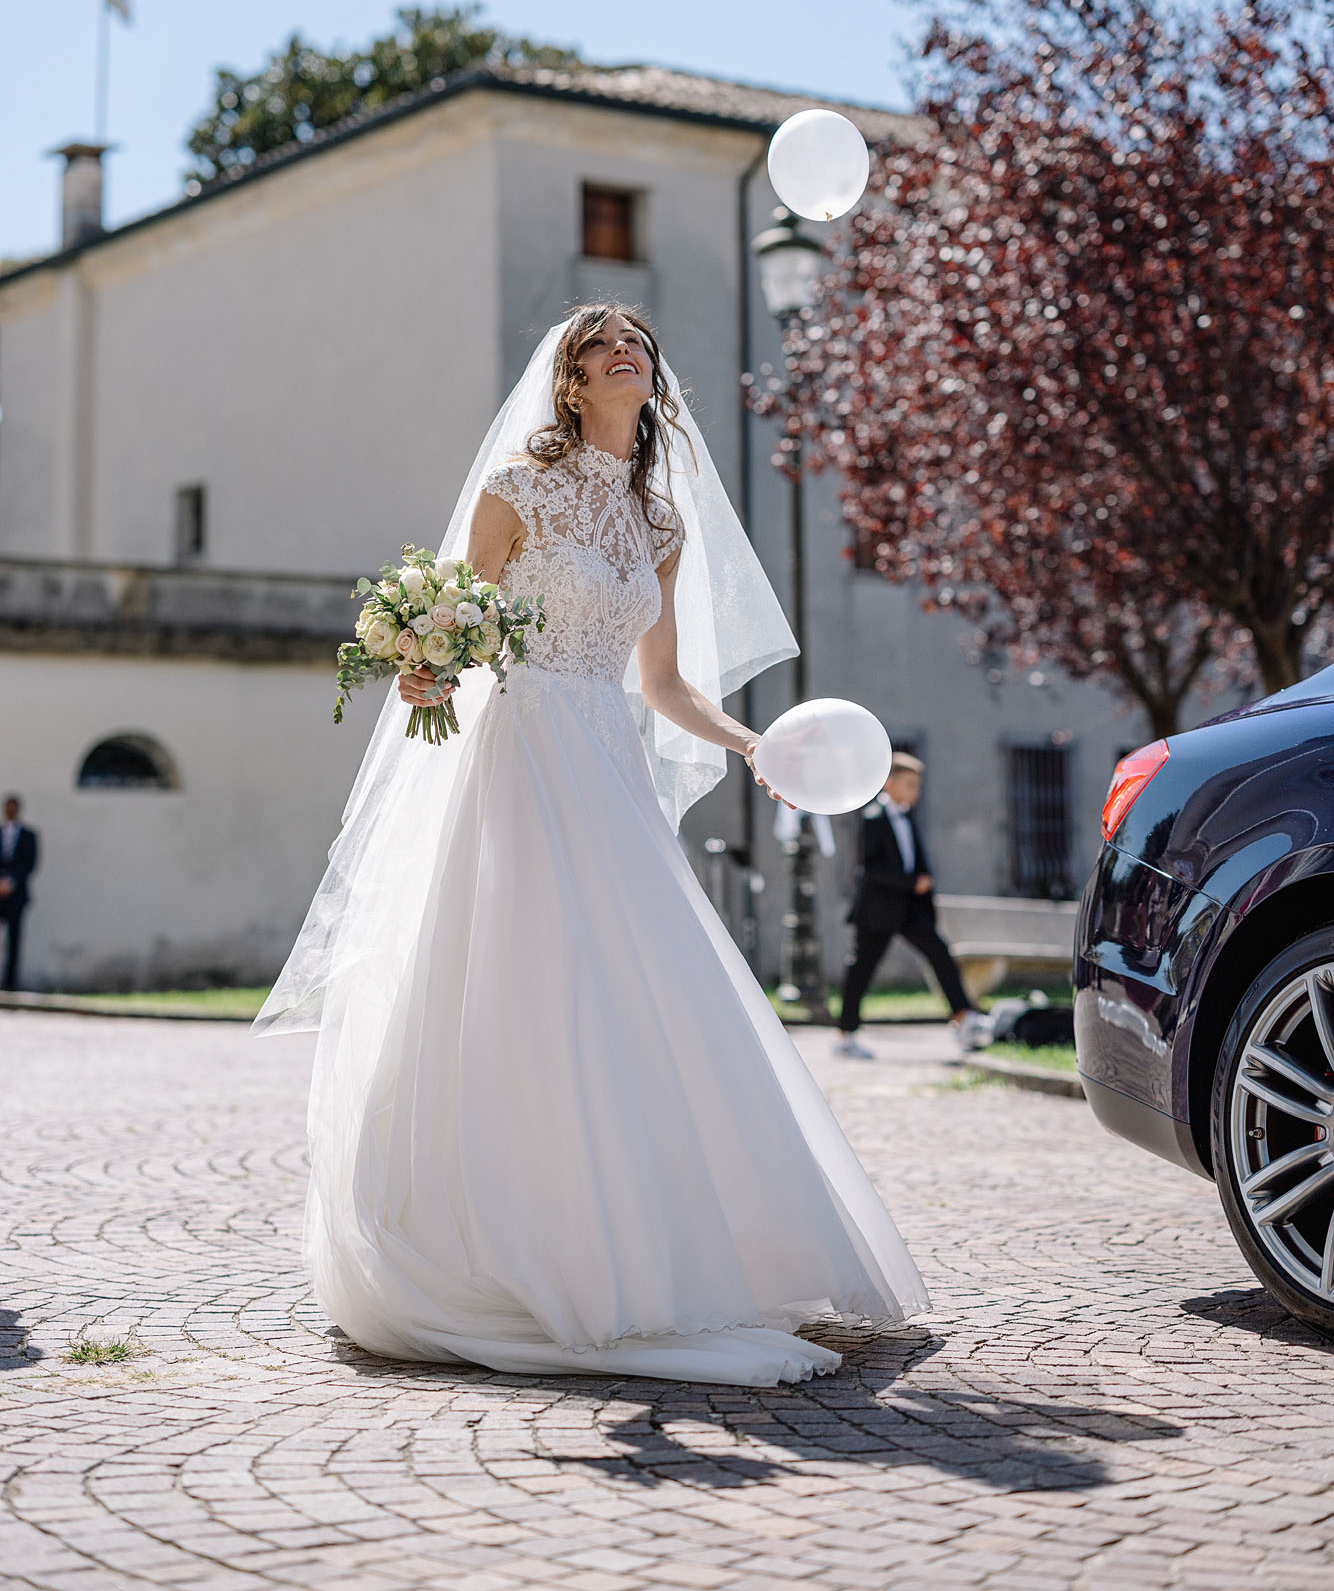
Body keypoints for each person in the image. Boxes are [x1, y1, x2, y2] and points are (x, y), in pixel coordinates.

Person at [256, 305, 928, 1386]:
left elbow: (660, 685)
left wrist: (747, 738)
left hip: (606, 764)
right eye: (599, 343)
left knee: (630, 990)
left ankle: (660, 1246)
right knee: (513, 978)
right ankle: (498, 1248)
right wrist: (423, 663)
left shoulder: (657, 522)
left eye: (638, 342)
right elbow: (459, 628)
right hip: (517, 755)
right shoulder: (516, 492)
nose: (625, 349)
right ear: (569, 383)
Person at [837, 754, 991, 1059]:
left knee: (940, 953)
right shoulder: (873, 818)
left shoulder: (907, 816)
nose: (915, 792)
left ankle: (963, 1017)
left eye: (917, 786)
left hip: (909, 909)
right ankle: (845, 1035)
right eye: (909, 785)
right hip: (878, 910)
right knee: (862, 970)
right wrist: (912, 882)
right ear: (888, 783)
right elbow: (869, 870)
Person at [0, 795, 40, 993]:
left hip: (17, 895)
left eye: (13, 808)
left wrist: (11, 882)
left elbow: (31, 864)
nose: (10, 811)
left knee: (14, 939)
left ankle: (10, 983)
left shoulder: (29, 835)